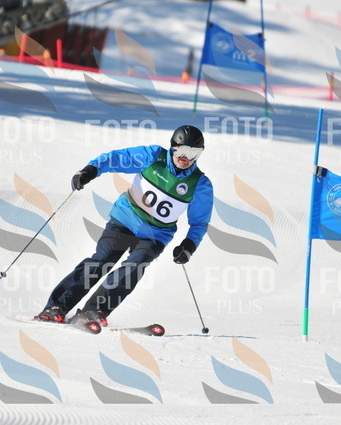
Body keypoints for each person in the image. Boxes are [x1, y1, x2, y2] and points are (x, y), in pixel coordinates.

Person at [34, 124, 214, 326]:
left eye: (193, 153)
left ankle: (94, 310)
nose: (186, 158)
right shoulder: (154, 156)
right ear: (173, 147)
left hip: (155, 235)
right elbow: (116, 158)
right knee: (103, 260)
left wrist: (189, 245)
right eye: (182, 151)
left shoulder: (200, 184)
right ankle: (57, 306)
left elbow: (199, 222)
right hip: (124, 220)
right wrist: (91, 170)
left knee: (134, 267)